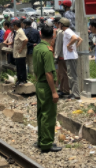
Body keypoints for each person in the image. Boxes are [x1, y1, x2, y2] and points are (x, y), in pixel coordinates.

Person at [33, 24, 61, 153]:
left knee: (41, 114)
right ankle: (46, 143)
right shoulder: (47, 51)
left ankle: (41, 140)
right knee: (48, 115)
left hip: (39, 84)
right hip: (46, 85)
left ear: (40, 34)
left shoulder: (37, 48)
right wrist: (54, 92)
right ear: (53, 36)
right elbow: (49, 72)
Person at [62, 17, 82, 101]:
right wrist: (74, 47)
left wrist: (68, 45)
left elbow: (75, 38)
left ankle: (76, 94)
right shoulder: (69, 30)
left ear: (62, 24)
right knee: (71, 75)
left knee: (72, 76)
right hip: (70, 56)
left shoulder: (67, 31)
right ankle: (73, 93)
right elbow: (80, 39)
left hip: (70, 57)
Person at [54, 20, 70, 98]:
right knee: (63, 73)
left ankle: (65, 90)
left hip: (61, 56)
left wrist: (56, 56)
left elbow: (58, 44)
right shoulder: (69, 31)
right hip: (67, 55)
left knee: (63, 73)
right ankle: (62, 88)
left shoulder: (60, 32)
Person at [13, 20, 29, 85]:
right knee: (18, 67)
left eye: (13, 26)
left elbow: (26, 40)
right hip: (17, 54)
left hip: (20, 53)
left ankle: (23, 80)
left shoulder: (20, 31)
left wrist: (21, 48)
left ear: (15, 26)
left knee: (21, 67)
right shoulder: (17, 32)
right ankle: (19, 80)